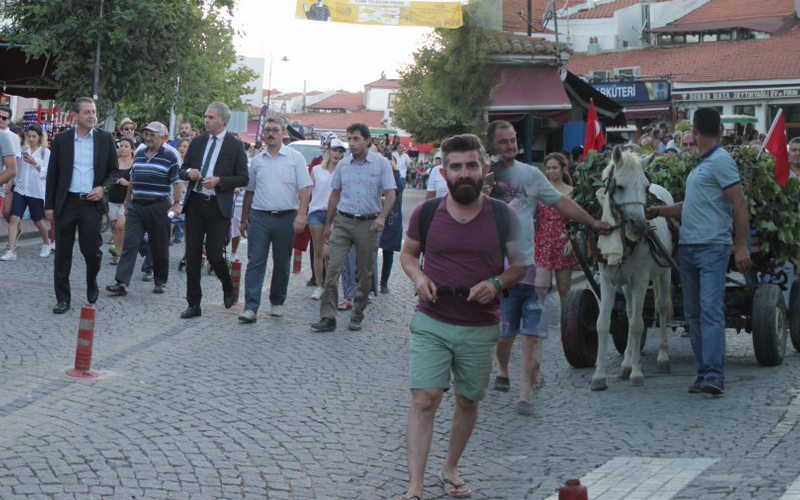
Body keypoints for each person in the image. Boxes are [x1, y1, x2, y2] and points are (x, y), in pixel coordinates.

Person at [395, 133, 527, 500]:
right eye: (456, 167)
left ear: (484, 169)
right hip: (432, 320)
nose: (464, 173)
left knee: (468, 400)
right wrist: (418, 276)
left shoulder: (504, 215)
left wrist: (497, 284)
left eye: (471, 165)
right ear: (444, 171)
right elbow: (407, 255)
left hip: (479, 325)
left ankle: (450, 466)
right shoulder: (428, 212)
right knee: (425, 398)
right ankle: (415, 486)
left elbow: (520, 265)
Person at [487, 120, 610, 416]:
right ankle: (502, 367)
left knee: (532, 333)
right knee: (505, 334)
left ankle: (525, 393)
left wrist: (592, 222)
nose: (510, 146)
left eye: (513, 140)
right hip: (495, 269)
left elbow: (560, 203)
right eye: (503, 142)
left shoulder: (531, 175)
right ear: (492, 145)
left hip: (530, 266)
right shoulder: (482, 176)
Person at [648, 107, 751, 396]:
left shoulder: (720, 161)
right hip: (689, 249)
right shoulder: (701, 163)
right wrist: (659, 210)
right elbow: (688, 206)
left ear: (693, 131)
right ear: (719, 130)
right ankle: (703, 372)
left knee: (709, 311)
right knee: (692, 314)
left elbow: (739, 203)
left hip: (712, 249)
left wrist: (741, 246)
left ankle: (715, 375)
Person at [310, 123, 396, 332]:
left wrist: (382, 218)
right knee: (333, 269)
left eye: (356, 139)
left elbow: (391, 193)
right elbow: (335, 194)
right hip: (343, 221)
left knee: (365, 273)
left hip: (368, 223)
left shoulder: (381, 164)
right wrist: (329, 223)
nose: (352, 143)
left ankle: (357, 313)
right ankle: (328, 317)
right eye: (350, 139)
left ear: (367, 141)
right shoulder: (343, 165)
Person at [45, 97, 120, 314]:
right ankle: (63, 298)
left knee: (91, 251)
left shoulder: (105, 139)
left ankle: (91, 283)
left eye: (94, 112)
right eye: (86, 112)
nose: (92, 116)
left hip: (91, 204)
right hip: (67, 202)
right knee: (62, 253)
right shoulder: (62, 139)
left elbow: (114, 172)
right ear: (75, 116)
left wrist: (102, 189)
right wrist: (49, 205)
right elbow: (53, 174)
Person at [178, 101, 249, 319]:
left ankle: (228, 285)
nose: (206, 120)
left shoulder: (235, 145)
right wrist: (190, 172)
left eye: (210, 117)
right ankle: (194, 303)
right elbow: (182, 169)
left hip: (218, 206)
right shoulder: (197, 142)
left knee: (216, 255)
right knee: (192, 255)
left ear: (222, 120)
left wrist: (220, 181)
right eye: (205, 116)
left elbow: (243, 177)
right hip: (196, 203)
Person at [238, 118, 312, 323]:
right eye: (267, 130)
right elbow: (250, 192)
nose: (271, 133)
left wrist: (302, 213)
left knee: (282, 262)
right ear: (263, 134)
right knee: (255, 261)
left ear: (283, 133)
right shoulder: (257, 161)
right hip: (260, 216)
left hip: (287, 217)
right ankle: (250, 306)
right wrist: (244, 219)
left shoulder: (295, 158)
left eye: (275, 130)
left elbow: (305, 187)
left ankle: (277, 301)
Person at [106, 122, 182, 296]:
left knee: (159, 246)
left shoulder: (170, 155)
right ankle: (122, 283)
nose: (147, 137)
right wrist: (127, 201)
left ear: (163, 137)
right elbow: (133, 179)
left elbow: (176, 182)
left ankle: (160, 281)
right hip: (137, 206)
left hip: (159, 206)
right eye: (146, 134)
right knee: (130, 244)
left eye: (152, 135)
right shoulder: (139, 152)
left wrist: (177, 202)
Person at [1, 125, 51, 261]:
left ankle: (46, 243)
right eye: (29, 136)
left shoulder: (45, 152)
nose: (31, 139)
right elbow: (16, 168)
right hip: (21, 189)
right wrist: (11, 183)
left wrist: (35, 163)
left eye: (34, 136)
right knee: (14, 218)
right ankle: (11, 250)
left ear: (40, 137)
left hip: (36, 191)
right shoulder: (24, 150)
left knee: (37, 221)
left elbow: (47, 172)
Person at [535, 152, 578, 305]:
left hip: (563, 241)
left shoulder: (571, 192)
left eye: (554, 168)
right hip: (542, 241)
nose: (551, 171)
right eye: (548, 168)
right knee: (540, 288)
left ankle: (566, 327)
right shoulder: (539, 191)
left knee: (564, 289)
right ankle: (538, 327)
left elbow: (576, 221)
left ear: (562, 169)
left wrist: (571, 242)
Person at [308, 138, 346, 300]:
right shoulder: (316, 170)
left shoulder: (344, 171)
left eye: (340, 151)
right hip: (317, 212)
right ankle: (319, 285)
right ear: (328, 151)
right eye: (335, 150)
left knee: (329, 252)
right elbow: (308, 190)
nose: (337, 154)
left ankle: (330, 285)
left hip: (336, 214)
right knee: (318, 251)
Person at [379, 156, 405, 294]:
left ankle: (384, 282)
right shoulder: (376, 172)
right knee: (367, 251)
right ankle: (365, 280)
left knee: (388, 252)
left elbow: (399, 187)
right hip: (375, 214)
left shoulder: (396, 176)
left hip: (391, 218)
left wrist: (395, 170)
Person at [108, 137, 134, 265]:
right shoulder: (114, 162)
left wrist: (127, 183)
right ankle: (118, 252)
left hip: (126, 200)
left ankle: (121, 254)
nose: (123, 148)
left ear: (132, 149)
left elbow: (137, 183)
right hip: (112, 198)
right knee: (114, 227)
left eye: (126, 146)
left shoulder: (134, 164)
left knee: (120, 226)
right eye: (121, 146)